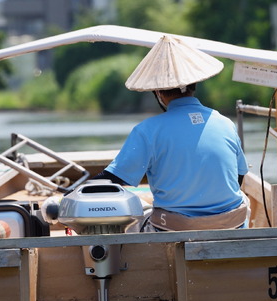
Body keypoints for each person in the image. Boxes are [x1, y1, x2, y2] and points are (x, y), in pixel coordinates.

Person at [94, 35, 250, 232]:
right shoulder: (225, 122)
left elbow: (114, 179)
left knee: (130, 222)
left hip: (174, 230)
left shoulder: (147, 130)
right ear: (194, 85)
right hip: (231, 224)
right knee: (244, 200)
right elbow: (240, 175)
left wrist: (75, 190)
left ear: (158, 93)